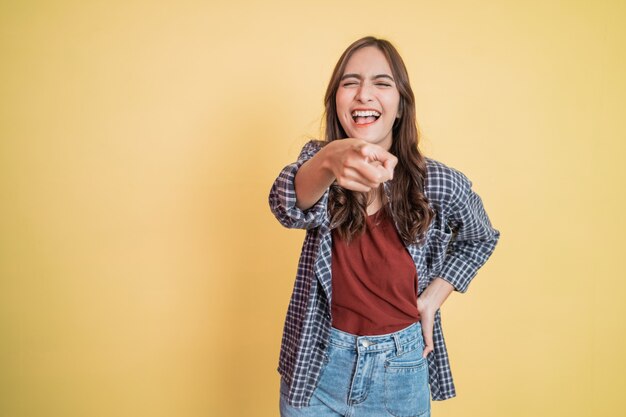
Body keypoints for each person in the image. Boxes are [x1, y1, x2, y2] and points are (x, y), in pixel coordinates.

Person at [269, 35, 500, 417]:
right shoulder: (318, 164)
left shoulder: (436, 183)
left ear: (400, 106)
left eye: (381, 83)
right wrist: (330, 159)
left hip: (400, 369)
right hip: (316, 366)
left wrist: (431, 299)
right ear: (336, 101)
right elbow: (286, 206)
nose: (363, 94)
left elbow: (481, 239)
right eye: (349, 82)